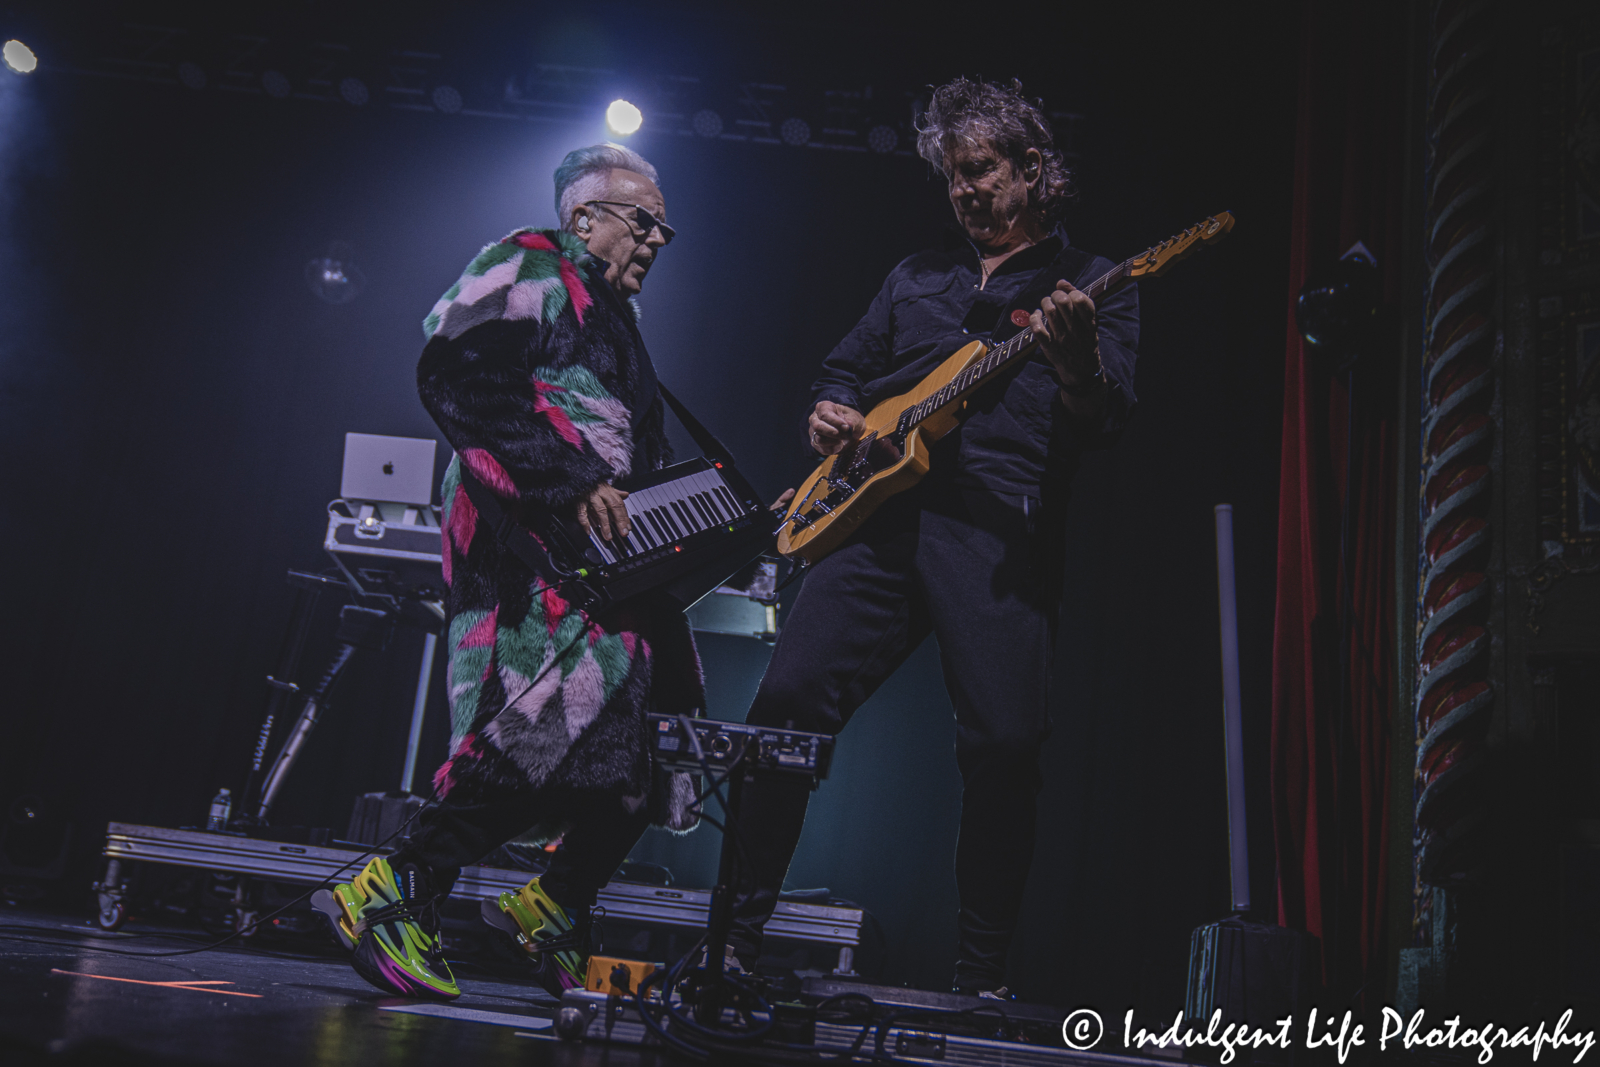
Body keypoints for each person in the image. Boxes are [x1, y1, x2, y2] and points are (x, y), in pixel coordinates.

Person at [728, 77, 1141, 998]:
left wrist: (1075, 365)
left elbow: (1101, 422)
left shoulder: (1091, 286)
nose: (964, 192)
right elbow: (841, 373)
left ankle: (979, 979)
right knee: (785, 700)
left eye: (982, 170)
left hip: (996, 534)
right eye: (953, 176)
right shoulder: (916, 277)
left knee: (1005, 744)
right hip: (876, 519)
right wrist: (829, 414)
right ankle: (732, 937)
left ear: (1033, 169)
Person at [314, 143, 701, 1002]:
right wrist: (569, 478)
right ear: (583, 217)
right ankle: (390, 888)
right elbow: (455, 367)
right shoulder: (530, 259)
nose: (659, 238)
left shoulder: (617, 323)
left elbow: (632, 461)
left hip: (605, 566)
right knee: (538, 726)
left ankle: (553, 904)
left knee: (658, 740)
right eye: (645, 219)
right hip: (526, 553)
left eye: (665, 227)